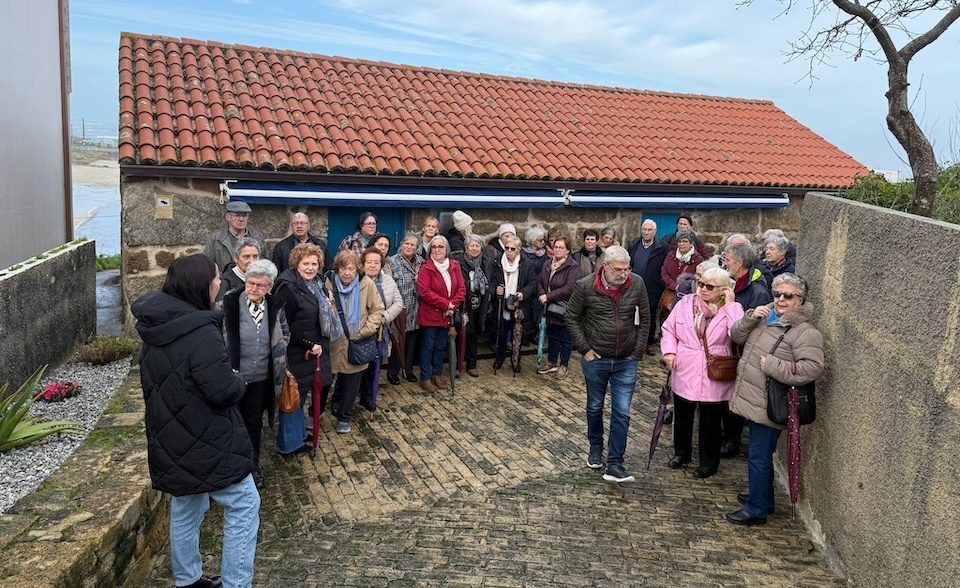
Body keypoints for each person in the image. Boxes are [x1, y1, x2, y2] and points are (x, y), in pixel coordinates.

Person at [132, 254, 259, 588]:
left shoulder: (157, 325)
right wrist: (238, 379)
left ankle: (188, 580)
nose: (219, 283)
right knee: (245, 503)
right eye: (216, 278)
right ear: (201, 285)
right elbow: (221, 390)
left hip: (170, 435)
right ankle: (236, 584)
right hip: (206, 437)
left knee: (187, 505)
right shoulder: (201, 331)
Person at [726, 273, 824, 526]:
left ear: (800, 300)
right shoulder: (765, 316)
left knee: (758, 457)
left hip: (771, 404)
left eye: (788, 295)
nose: (781, 299)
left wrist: (773, 365)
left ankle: (756, 509)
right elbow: (736, 336)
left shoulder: (805, 332)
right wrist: (750, 318)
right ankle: (764, 498)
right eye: (777, 294)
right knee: (761, 455)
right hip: (754, 398)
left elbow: (812, 367)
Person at [565, 246, 650, 483]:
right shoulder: (585, 286)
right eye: (618, 269)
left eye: (626, 269)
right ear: (605, 267)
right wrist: (585, 349)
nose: (623, 274)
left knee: (622, 412)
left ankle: (615, 463)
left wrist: (637, 352)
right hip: (597, 359)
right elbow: (571, 317)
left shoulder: (637, 283)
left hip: (626, 361)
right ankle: (595, 446)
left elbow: (645, 319)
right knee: (595, 407)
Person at [660, 267, 744, 479]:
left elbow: (738, 334)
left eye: (710, 286)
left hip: (714, 370)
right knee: (683, 415)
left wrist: (731, 305)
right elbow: (669, 329)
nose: (703, 289)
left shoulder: (732, 309)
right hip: (686, 367)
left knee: (710, 421)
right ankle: (681, 454)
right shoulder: (686, 304)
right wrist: (669, 351)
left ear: (723, 290)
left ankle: (708, 462)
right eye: (701, 284)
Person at [222, 259, 289, 489]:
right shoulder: (229, 303)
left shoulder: (275, 306)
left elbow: (285, 331)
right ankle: (230, 468)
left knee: (253, 423)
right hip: (232, 377)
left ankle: (252, 467)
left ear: (270, 286)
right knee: (230, 424)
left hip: (261, 378)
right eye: (250, 283)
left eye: (260, 285)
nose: (254, 288)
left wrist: (279, 348)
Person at [272, 243, 342, 454]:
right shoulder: (287, 287)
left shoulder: (317, 283)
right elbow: (284, 326)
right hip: (297, 352)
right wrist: (308, 345)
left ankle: (299, 434)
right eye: (306, 264)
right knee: (293, 397)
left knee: (302, 396)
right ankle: (289, 444)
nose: (310, 268)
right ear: (296, 263)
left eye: (314, 263)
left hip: (314, 350)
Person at [719, 241, 773, 458]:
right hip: (732, 349)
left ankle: (732, 440)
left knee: (736, 397)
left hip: (742, 352)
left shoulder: (757, 291)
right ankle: (726, 436)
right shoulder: (737, 282)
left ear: (739, 263)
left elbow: (753, 328)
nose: (725, 263)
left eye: (728, 260)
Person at [326, 250, 385, 433]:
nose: (347, 273)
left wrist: (364, 331)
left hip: (356, 342)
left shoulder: (366, 284)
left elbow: (377, 310)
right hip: (332, 342)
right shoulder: (327, 283)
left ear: (357, 269)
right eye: (343, 268)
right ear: (337, 268)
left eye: (351, 269)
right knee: (325, 380)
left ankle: (344, 416)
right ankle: (317, 412)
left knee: (351, 383)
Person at [416, 235, 466, 391]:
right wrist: (446, 304)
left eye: (440, 247)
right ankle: (425, 377)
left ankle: (437, 374)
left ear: (446, 249)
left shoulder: (455, 265)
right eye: (434, 247)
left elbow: (461, 289)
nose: (437, 250)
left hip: (448, 315)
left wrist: (452, 305)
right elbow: (424, 292)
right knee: (428, 346)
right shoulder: (426, 267)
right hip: (431, 314)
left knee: (441, 346)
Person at [358, 247, 404, 398]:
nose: (373, 265)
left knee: (374, 365)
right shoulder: (357, 281)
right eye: (369, 262)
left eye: (376, 262)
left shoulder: (388, 281)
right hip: (362, 330)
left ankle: (368, 396)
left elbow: (398, 302)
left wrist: (384, 317)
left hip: (382, 330)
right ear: (363, 264)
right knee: (359, 366)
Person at [487, 234, 537, 371]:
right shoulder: (497, 262)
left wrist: (523, 293)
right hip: (501, 304)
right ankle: (500, 358)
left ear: (518, 250)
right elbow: (491, 280)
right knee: (501, 333)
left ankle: (516, 361)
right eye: (507, 248)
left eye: (512, 249)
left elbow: (533, 282)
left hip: (518, 304)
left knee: (517, 334)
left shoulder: (526, 264)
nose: (509, 251)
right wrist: (496, 289)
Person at [536, 234, 581, 379]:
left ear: (567, 250)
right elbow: (540, 281)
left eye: (561, 247)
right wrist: (542, 294)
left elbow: (569, 288)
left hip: (565, 308)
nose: (558, 250)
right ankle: (552, 362)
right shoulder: (547, 264)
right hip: (549, 308)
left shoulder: (573, 267)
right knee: (552, 335)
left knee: (566, 338)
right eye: (556, 247)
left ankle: (564, 365)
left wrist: (548, 296)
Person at [451, 234, 492, 378]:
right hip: (463, 303)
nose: (474, 248)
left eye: (477, 246)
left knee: (473, 335)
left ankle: (472, 364)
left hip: (479, 304)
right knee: (460, 335)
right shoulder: (458, 262)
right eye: (472, 246)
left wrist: (490, 292)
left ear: (481, 248)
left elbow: (492, 280)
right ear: (466, 248)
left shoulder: (486, 262)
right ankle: (457, 365)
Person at [627, 219, 668, 355]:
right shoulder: (633, 244)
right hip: (633, 285)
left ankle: (647, 343)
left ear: (654, 232)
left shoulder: (662, 247)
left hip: (652, 286)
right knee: (631, 313)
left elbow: (664, 267)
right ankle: (631, 341)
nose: (646, 232)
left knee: (649, 315)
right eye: (644, 229)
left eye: (649, 230)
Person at [388, 233, 424, 383]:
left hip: (416, 308)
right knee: (397, 341)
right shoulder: (392, 262)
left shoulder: (422, 262)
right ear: (401, 245)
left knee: (411, 342)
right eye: (406, 244)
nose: (409, 247)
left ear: (417, 248)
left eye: (413, 245)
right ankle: (393, 371)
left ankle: (408, 370)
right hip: (400, 308)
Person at [204, 200, 266, 272]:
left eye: (244, 216)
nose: (241, 219)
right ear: (228, 217)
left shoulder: (257, 237)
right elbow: (208, 264)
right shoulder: (215, 238)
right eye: (237, 215)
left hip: (251, 277)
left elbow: (265, 262)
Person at [660, 229, 704, 313]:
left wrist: (684, 287)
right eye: (679, 241)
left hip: (688, 297)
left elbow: (698, 278)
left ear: (691, 243)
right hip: (670, 295)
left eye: (685, 241)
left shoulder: (698, 259)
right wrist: (674, 286)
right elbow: (664, 272)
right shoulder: (671, 255)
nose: (681, 244)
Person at [217, 237, 261, 302]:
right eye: (246, 257)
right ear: (235, 258)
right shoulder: (225, 284)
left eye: (255, 256)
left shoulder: (265, 279)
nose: (252, 261)